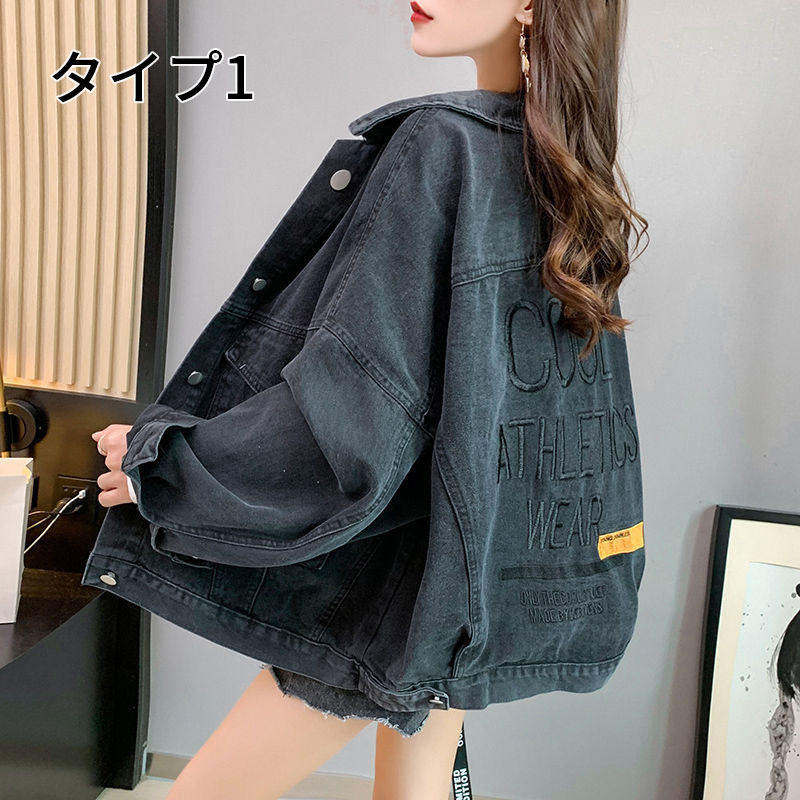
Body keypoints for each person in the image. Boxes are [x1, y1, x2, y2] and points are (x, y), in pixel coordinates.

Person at [86, 1, 649, 798]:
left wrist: (166, 467)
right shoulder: (569, 171)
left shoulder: (442, 146)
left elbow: (356, 403)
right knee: (415, 785)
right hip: (465, 576)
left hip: (389, 592)